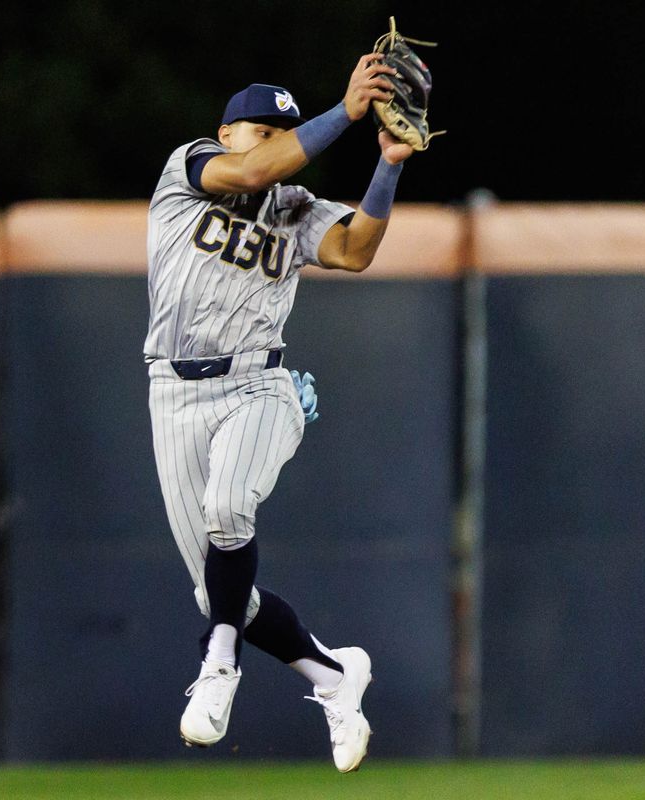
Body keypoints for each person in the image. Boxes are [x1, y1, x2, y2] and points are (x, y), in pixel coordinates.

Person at [144, 53, 414, 773]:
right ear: (226, 132)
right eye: (259, 128)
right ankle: (331, 675)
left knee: (229, 512)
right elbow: (251, 172)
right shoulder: (190, 170)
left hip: (261, 387)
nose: (270, 143)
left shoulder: (293, 210)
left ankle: (220, 661)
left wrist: (386, 165)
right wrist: (346, 114)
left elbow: (355, 250)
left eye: (283, 133)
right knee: (219, 588)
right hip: (172, 393)